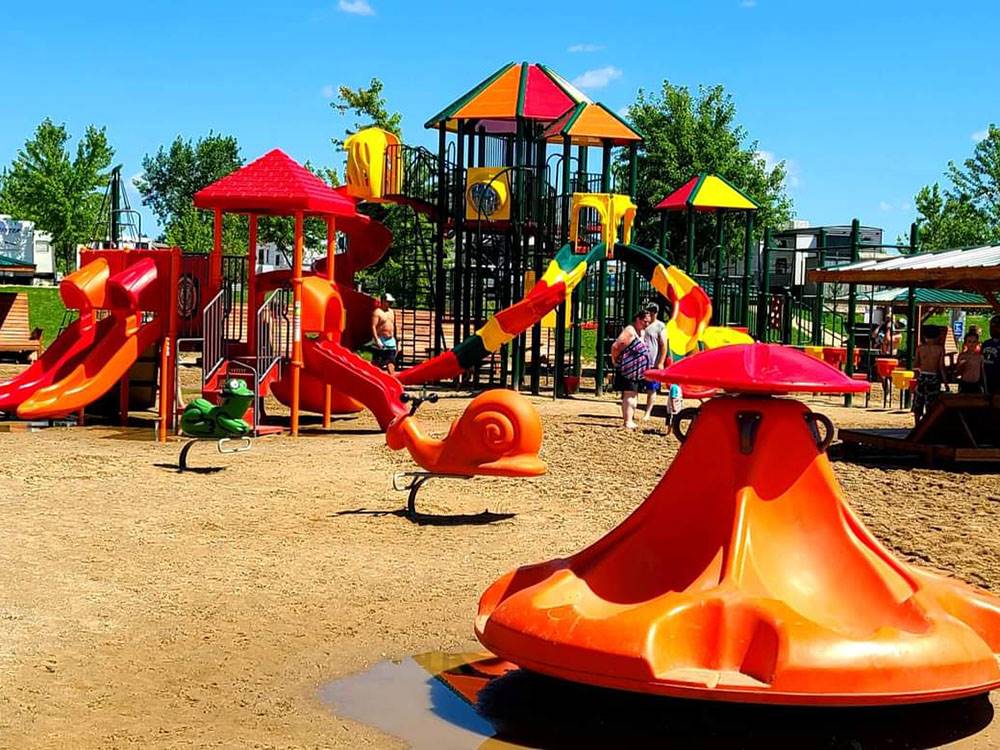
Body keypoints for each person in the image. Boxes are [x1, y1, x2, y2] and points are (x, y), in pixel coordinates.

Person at [610, 310, 651, 430]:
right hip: (628, 370)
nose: (646, 324)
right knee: (629, 394)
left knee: (634, 395)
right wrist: (615, 360)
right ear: (638, 319)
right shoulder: (630, 331)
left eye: (648, 322)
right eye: (645, 321)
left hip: (637, 372)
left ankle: (630, 419)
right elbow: (616, 346)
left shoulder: (641, 332)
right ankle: (627, 421)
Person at [911, 324, 947, 423]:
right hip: (934, 377)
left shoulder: (920, 348)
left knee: (918, 401)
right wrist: (945, 382)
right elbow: (941, 367)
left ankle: (917, 423)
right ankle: (928, 423)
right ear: (937, 336)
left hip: (923, 375)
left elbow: (915, 364)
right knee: (931, 403)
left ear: (924, 336)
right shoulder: (940, 349)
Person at [640, 302, 668, 421]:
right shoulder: (642, 325)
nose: (651, 313)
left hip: (653, 362)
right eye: (649, 311)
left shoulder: (660, 326)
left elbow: (663, 345)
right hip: (641, 361)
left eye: (653, 311)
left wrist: (661, 362)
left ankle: (647, 412)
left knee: (652, 388)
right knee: (636, 387)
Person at [371, 292, 398, 374]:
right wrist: (377, 340)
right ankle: (373, 380)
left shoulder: (392, 312)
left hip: (391, 341)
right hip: (380, 339)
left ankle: (392, 381)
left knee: (391, 362)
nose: (390, 303)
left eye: (391, 302)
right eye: (388, 302)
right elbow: (373, 327)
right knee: (377, 364)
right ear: (383, 301)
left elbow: (394, 326)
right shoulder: (377, 312)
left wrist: (396, 340)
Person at [982, 316, 1000, 395]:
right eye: (992, 327)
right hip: (986, 375)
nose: (994, 329)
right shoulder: (986, 343)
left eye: (997, 327)